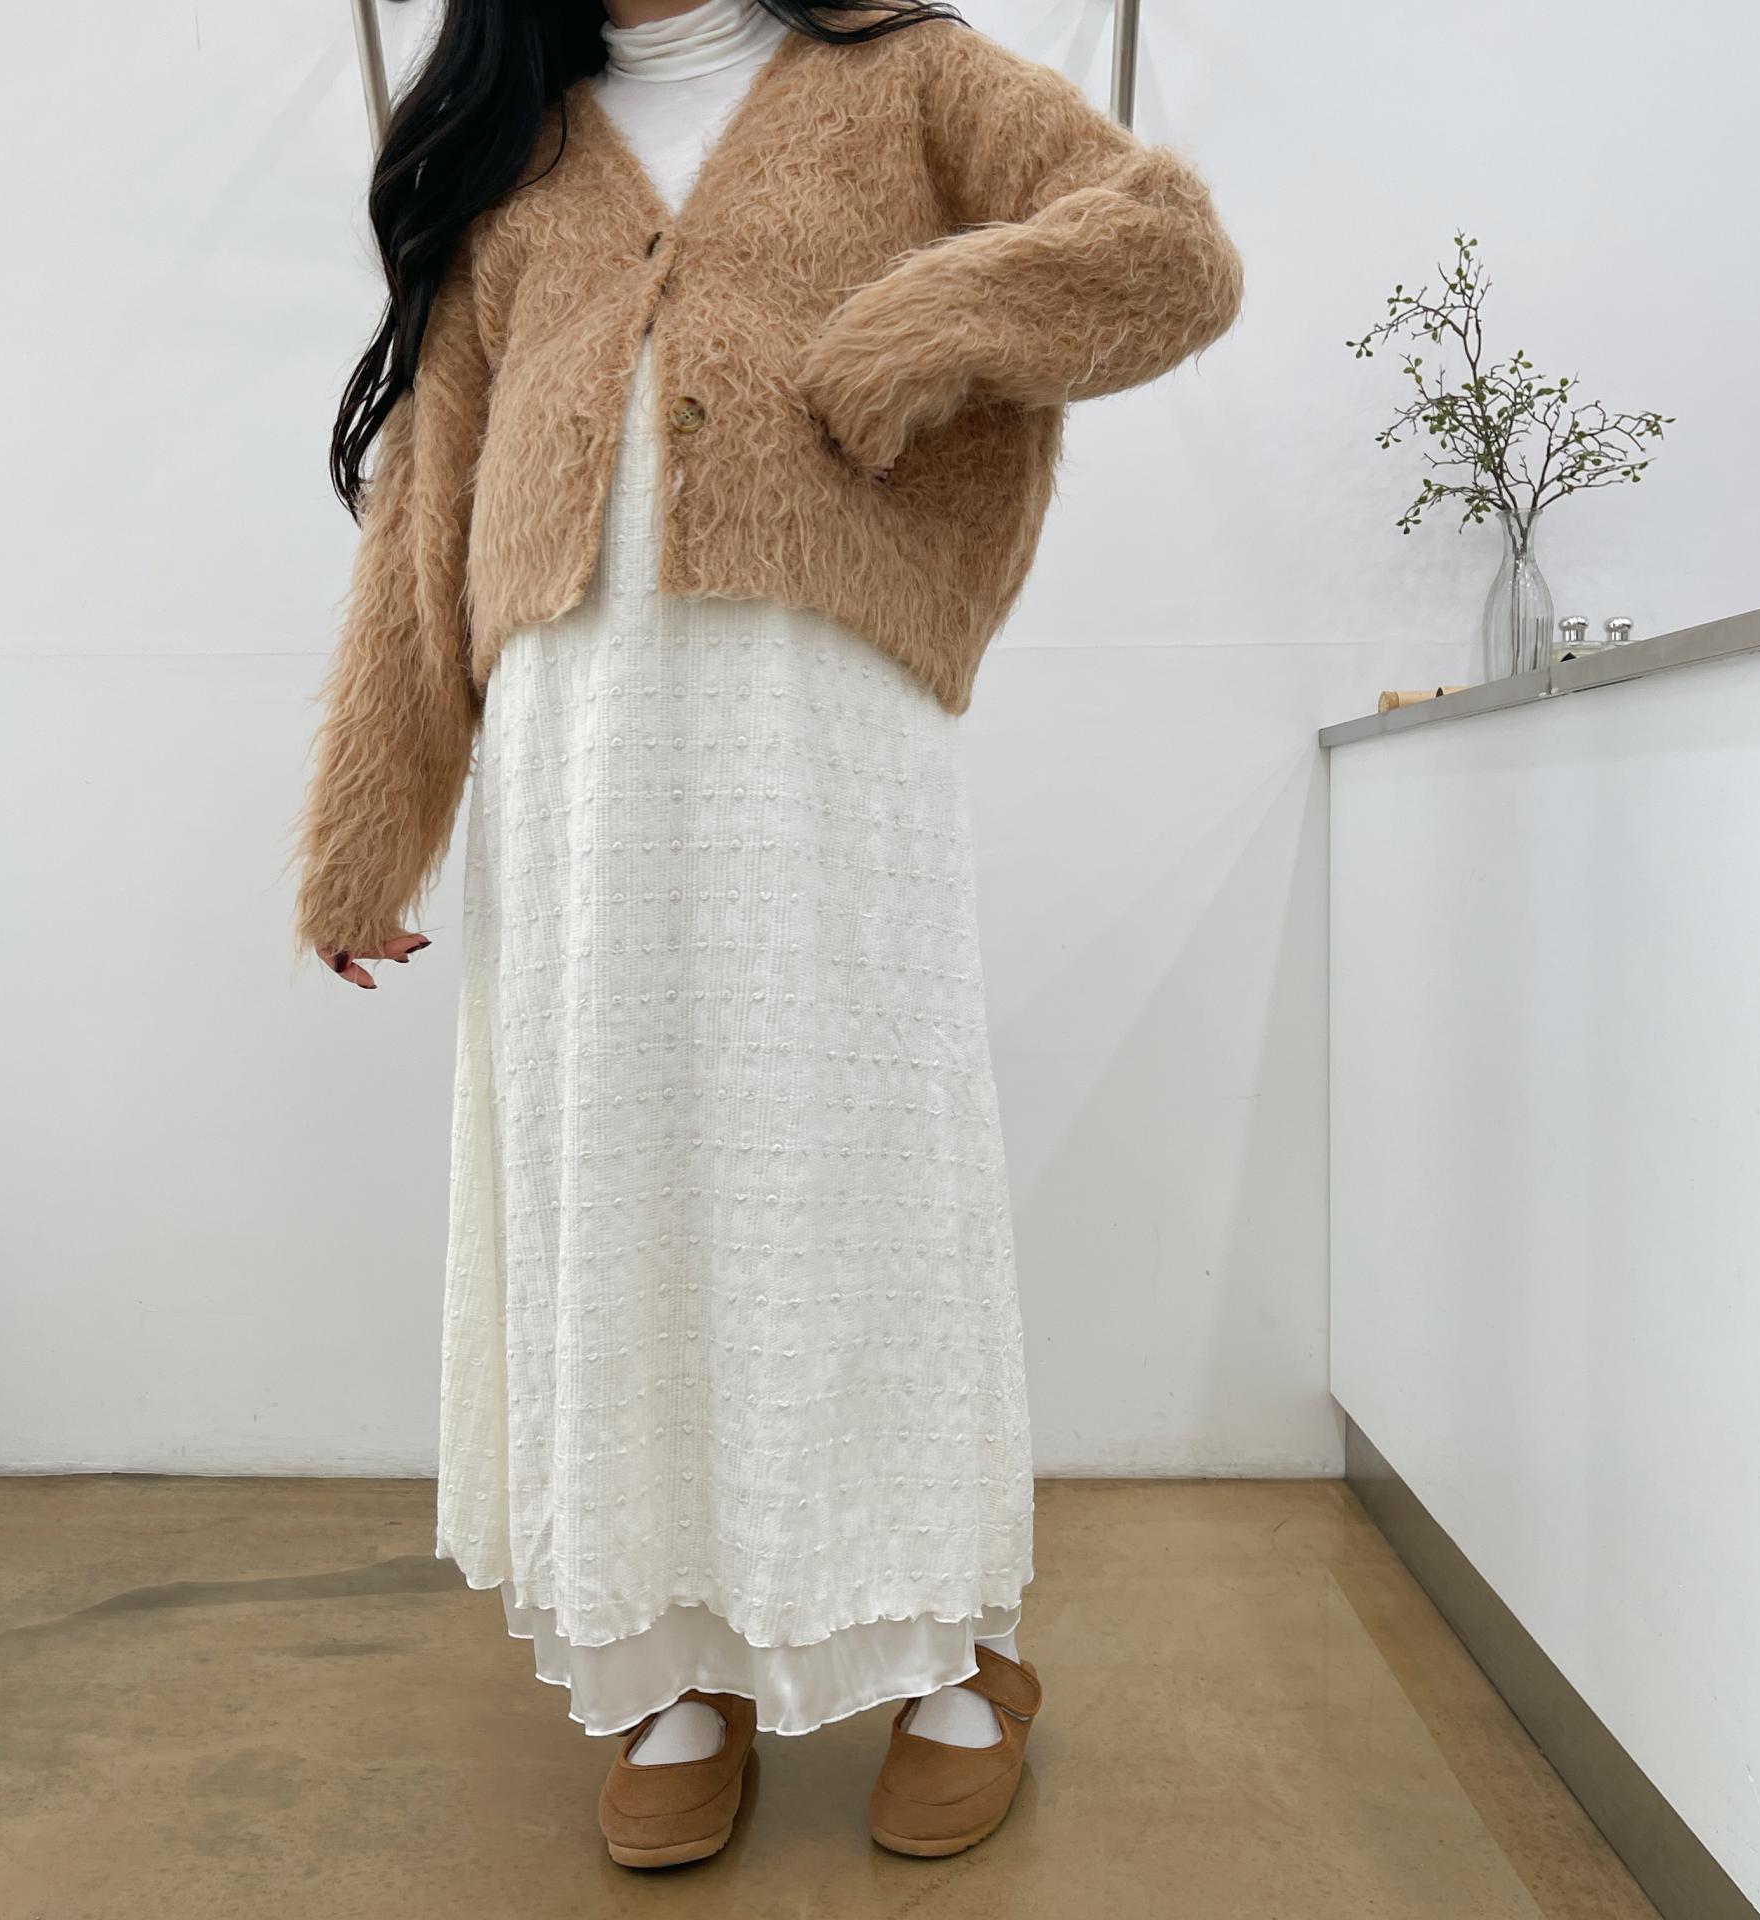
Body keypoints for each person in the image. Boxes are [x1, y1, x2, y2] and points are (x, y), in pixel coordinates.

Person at [293, 0, 1240, 1868]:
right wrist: (366, 839)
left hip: (825, 731)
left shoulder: (913, 70)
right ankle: (672, 1661)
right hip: (578, 764)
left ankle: (948, 1651)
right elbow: (428, 504)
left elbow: (1168, 251)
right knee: (621, 1190)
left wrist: (917, 330)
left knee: (859, 1179)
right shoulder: (513, 144)